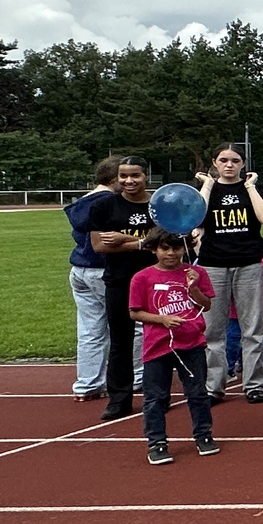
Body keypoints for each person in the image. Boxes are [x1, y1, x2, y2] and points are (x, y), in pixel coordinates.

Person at [127, 230, 217, 465]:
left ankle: (203, 435)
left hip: (191, 342)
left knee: (197, 392)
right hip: (157, 345)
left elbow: (206, 305)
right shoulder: (142, 278)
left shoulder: (196, 273)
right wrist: (162, 320)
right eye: (165, 248)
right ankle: (156, 442)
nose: (171, 253)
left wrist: (194, 287)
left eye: (176, 248)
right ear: (154, 249)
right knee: (156, 396)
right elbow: (134, 312)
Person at [194, 144, 263, 403]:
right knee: (213, 330)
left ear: (243, 163)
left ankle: (254, 384)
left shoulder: (255, 189)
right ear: (215, 163)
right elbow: (196, 220)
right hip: (213, 264)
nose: (229, 165)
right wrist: (207, 185)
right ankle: (214, 386)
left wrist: (250, 186)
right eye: (223, 160)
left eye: (235, 160)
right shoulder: (207, 190)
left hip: (249, 263)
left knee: (252, 328)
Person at [89, 156, 157, 422]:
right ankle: (119, 399)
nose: (129, 181)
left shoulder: (158, 205)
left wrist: (126, 240)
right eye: (123, 176)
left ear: (146, 176)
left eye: (135, 176)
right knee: (120, 341)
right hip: (119, 280)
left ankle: (157, 394)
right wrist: (145, 241)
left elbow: (165, 242)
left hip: (155, 279)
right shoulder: (105, 207)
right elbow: (99, 246)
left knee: (159, 338)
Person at [65, 157, 122, 402]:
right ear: (114, 179)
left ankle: (87, 383)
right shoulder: (110, 203)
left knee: (90, 330)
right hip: (103, 268)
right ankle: (138, 375)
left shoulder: (81, 204)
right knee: (131, 325)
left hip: (80, 269)